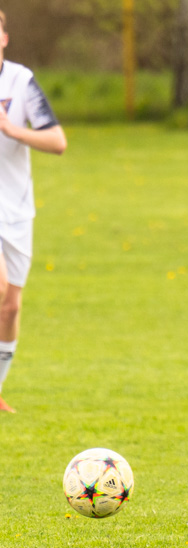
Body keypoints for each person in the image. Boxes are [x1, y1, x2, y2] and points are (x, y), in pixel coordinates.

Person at [0, 9, 67, 413]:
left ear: (4, 37)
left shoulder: (19, 81)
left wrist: (11, 129)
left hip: (16, 212)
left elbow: (57, 141)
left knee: (11, 305)